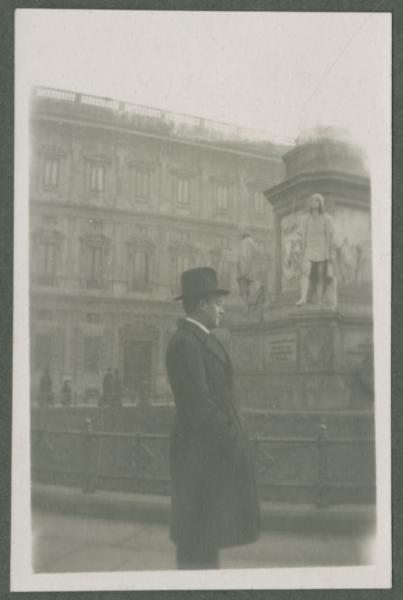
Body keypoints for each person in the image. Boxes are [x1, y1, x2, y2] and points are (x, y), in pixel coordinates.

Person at [165, 267, 260, 570]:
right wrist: (232, 437)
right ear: (201, 304)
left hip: (207, 466)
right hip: (199, 466)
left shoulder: (201, 339)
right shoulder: (185, 343)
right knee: (197, 556)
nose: (222, 308)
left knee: (204, 551)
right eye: (217, 302)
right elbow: (198, 407)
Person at [296, 193, 336, 306]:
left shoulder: (327, 218)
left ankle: (319, 300)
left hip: (322, 249)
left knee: (320, 275)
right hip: (308, 248)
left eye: (317, 200)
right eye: (312, 200)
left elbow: (331, 235)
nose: (314, 202)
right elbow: (300, 233)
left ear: (320, 203)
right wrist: (299, 241)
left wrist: (331, 251)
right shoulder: (305, 219)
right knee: (305, 272)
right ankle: (303, 298)